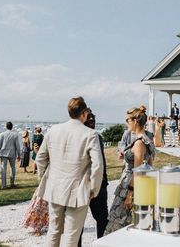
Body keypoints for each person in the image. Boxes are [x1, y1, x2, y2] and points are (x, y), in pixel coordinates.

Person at [35, 97, 103, 247]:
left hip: (54, 187)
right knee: (72, 236)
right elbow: (98, 165)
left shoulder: (53, 130)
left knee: (54, 231)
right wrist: (94, 189)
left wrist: (44, 179)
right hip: (77, 190)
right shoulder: (90, 134)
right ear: (84, 113)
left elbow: (40, 159)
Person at [105, 105, 156, 234]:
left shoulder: (139, 142)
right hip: (138, 184)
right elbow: (150, 165)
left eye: (128, 120)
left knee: (118, 223)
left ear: (135, 121)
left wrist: (130, 194)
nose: (127, 123)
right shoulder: (147, 139)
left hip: (129, 185)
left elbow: (138, 170)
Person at [78, 110, 109, 245]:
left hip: (99, 185)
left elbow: (101, 163)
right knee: (78, 222)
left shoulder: (98, 137)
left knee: (102, 219)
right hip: (81, 185)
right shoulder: (78, 137)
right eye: (89, 118)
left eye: (94, 118)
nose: (92, 120)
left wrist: (103, 182)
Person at [0, 122, 21, 189]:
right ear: (12, 127)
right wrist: (19, 155)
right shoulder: (15, 135)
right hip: (12, 153)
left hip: (3, 153)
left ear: (6, 126)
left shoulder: (2, 134)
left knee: (3, 169)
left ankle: (3, 185)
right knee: (12, 167)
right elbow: (18, 146)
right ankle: (12, 183)